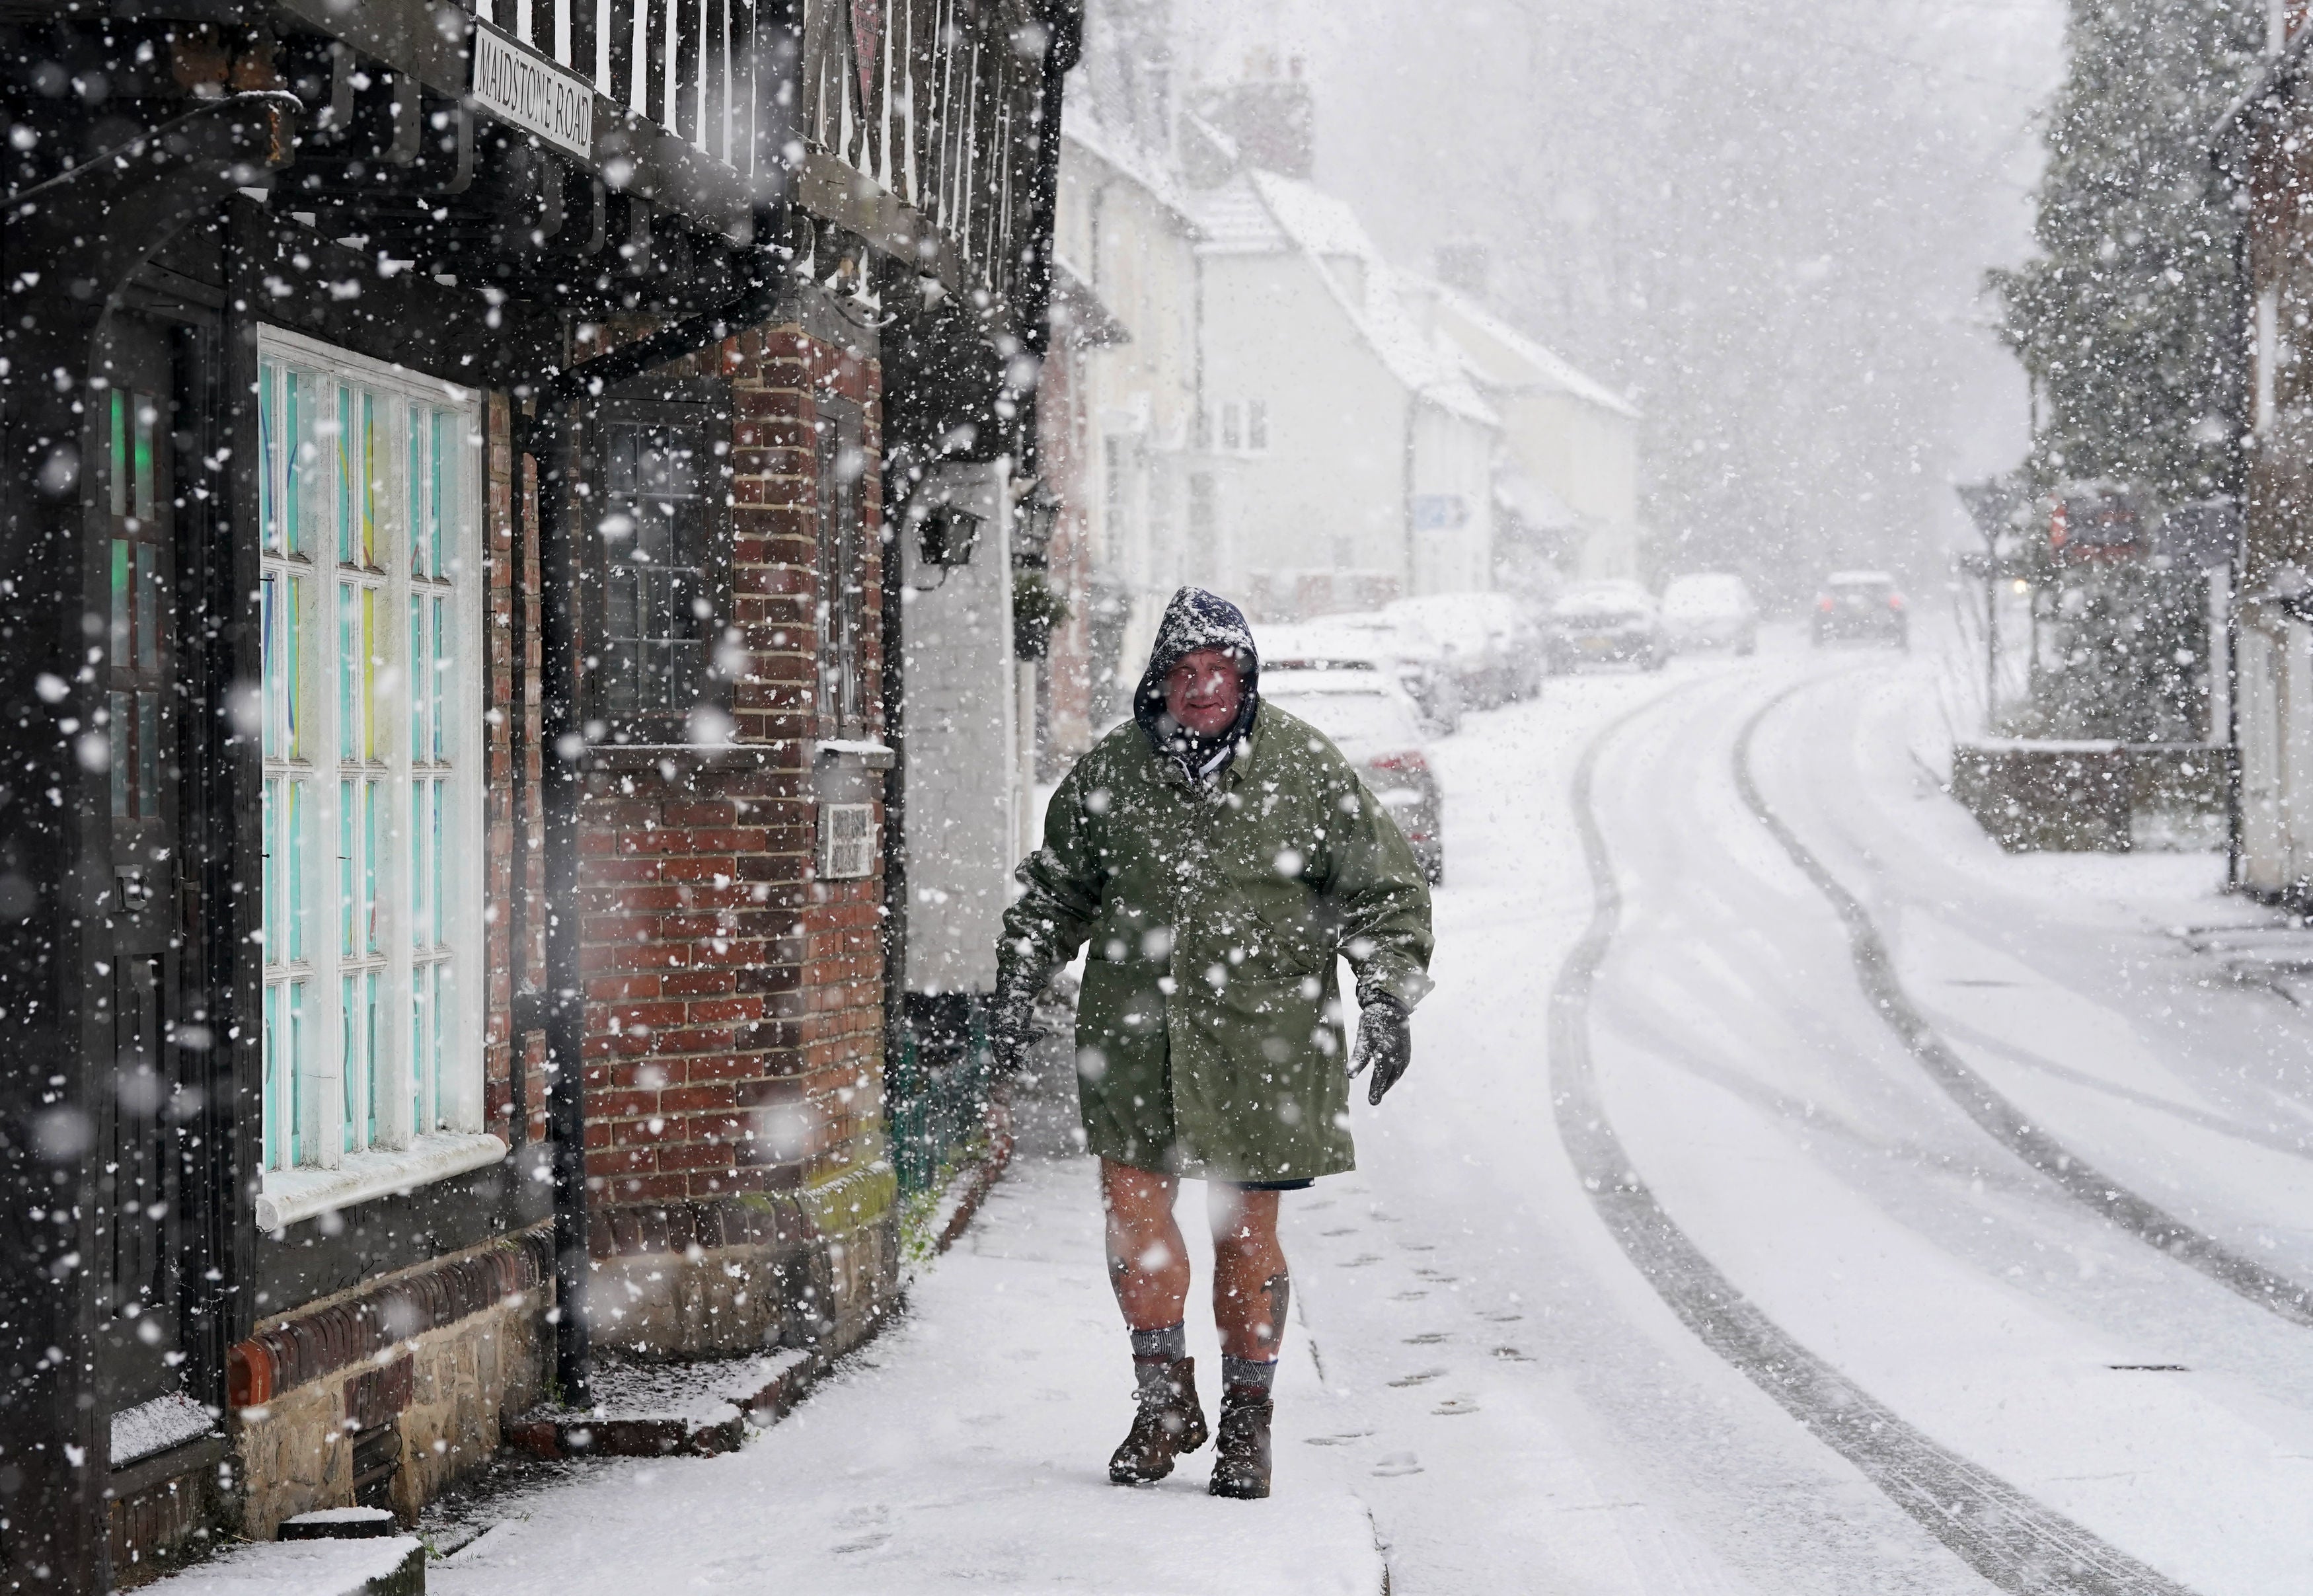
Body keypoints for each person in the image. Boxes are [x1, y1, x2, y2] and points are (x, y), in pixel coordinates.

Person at [992, 586, 1434, 1500]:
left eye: (1219, 672)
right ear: (1159, 683)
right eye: (1184, 673)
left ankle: (1246, 1421)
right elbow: (1057, 891)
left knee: (1244, 1236)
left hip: (1263, 1038)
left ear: (1246, 679)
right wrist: (1019, 972)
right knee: (1135, 1221)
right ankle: (1163, 1403)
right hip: (1135, 1034)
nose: (1202, 691)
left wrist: (1387, 993)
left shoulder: (1305, 770)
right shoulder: (1113, 774)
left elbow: (1384, 891)